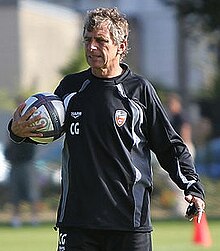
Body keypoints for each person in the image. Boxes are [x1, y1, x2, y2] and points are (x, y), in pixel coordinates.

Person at [8, 7, 205, 251]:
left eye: (100, 41)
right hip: (78, 221)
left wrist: (191, 187)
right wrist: (18, 131)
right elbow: (45, 130)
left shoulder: (139, 91)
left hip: (129, 222)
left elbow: (170, 146)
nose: (91, 47)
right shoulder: (71, 88)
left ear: (121, 46)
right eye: (87, 40)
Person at [4, 138, 40, 227]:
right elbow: (7, 153)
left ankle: (34, 218)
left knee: (32, 193)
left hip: (26, 165)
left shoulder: (29, 139)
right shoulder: (12, 141)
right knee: (15, 194)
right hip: (14, 166)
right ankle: (16, 218)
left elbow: (30, 152)